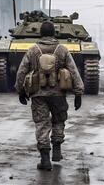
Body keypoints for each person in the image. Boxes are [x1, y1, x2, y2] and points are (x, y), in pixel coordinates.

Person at [15, 21, 84, 171]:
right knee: (59, 120)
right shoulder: (62, 50)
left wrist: (20, 90)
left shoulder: (33, 50)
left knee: (42, 124)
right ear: (54, 33)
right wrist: (78, 93)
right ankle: (57, 150)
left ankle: (45, 159)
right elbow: (73, 71)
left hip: (38, 95)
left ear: (40, 33)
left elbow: (21, 71)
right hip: (58, 94)